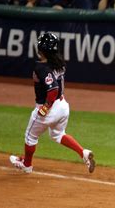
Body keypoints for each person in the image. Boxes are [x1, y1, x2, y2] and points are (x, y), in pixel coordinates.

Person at [9, 32, 95, 174]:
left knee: (30, 136)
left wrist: (45, 107)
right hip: (63, 107)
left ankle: (27, 165)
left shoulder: (41, 68)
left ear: (41, 49)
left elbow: (53, 89)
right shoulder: (59, 62)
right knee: (58, 134)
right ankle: (83, 152)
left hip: (49, 107)